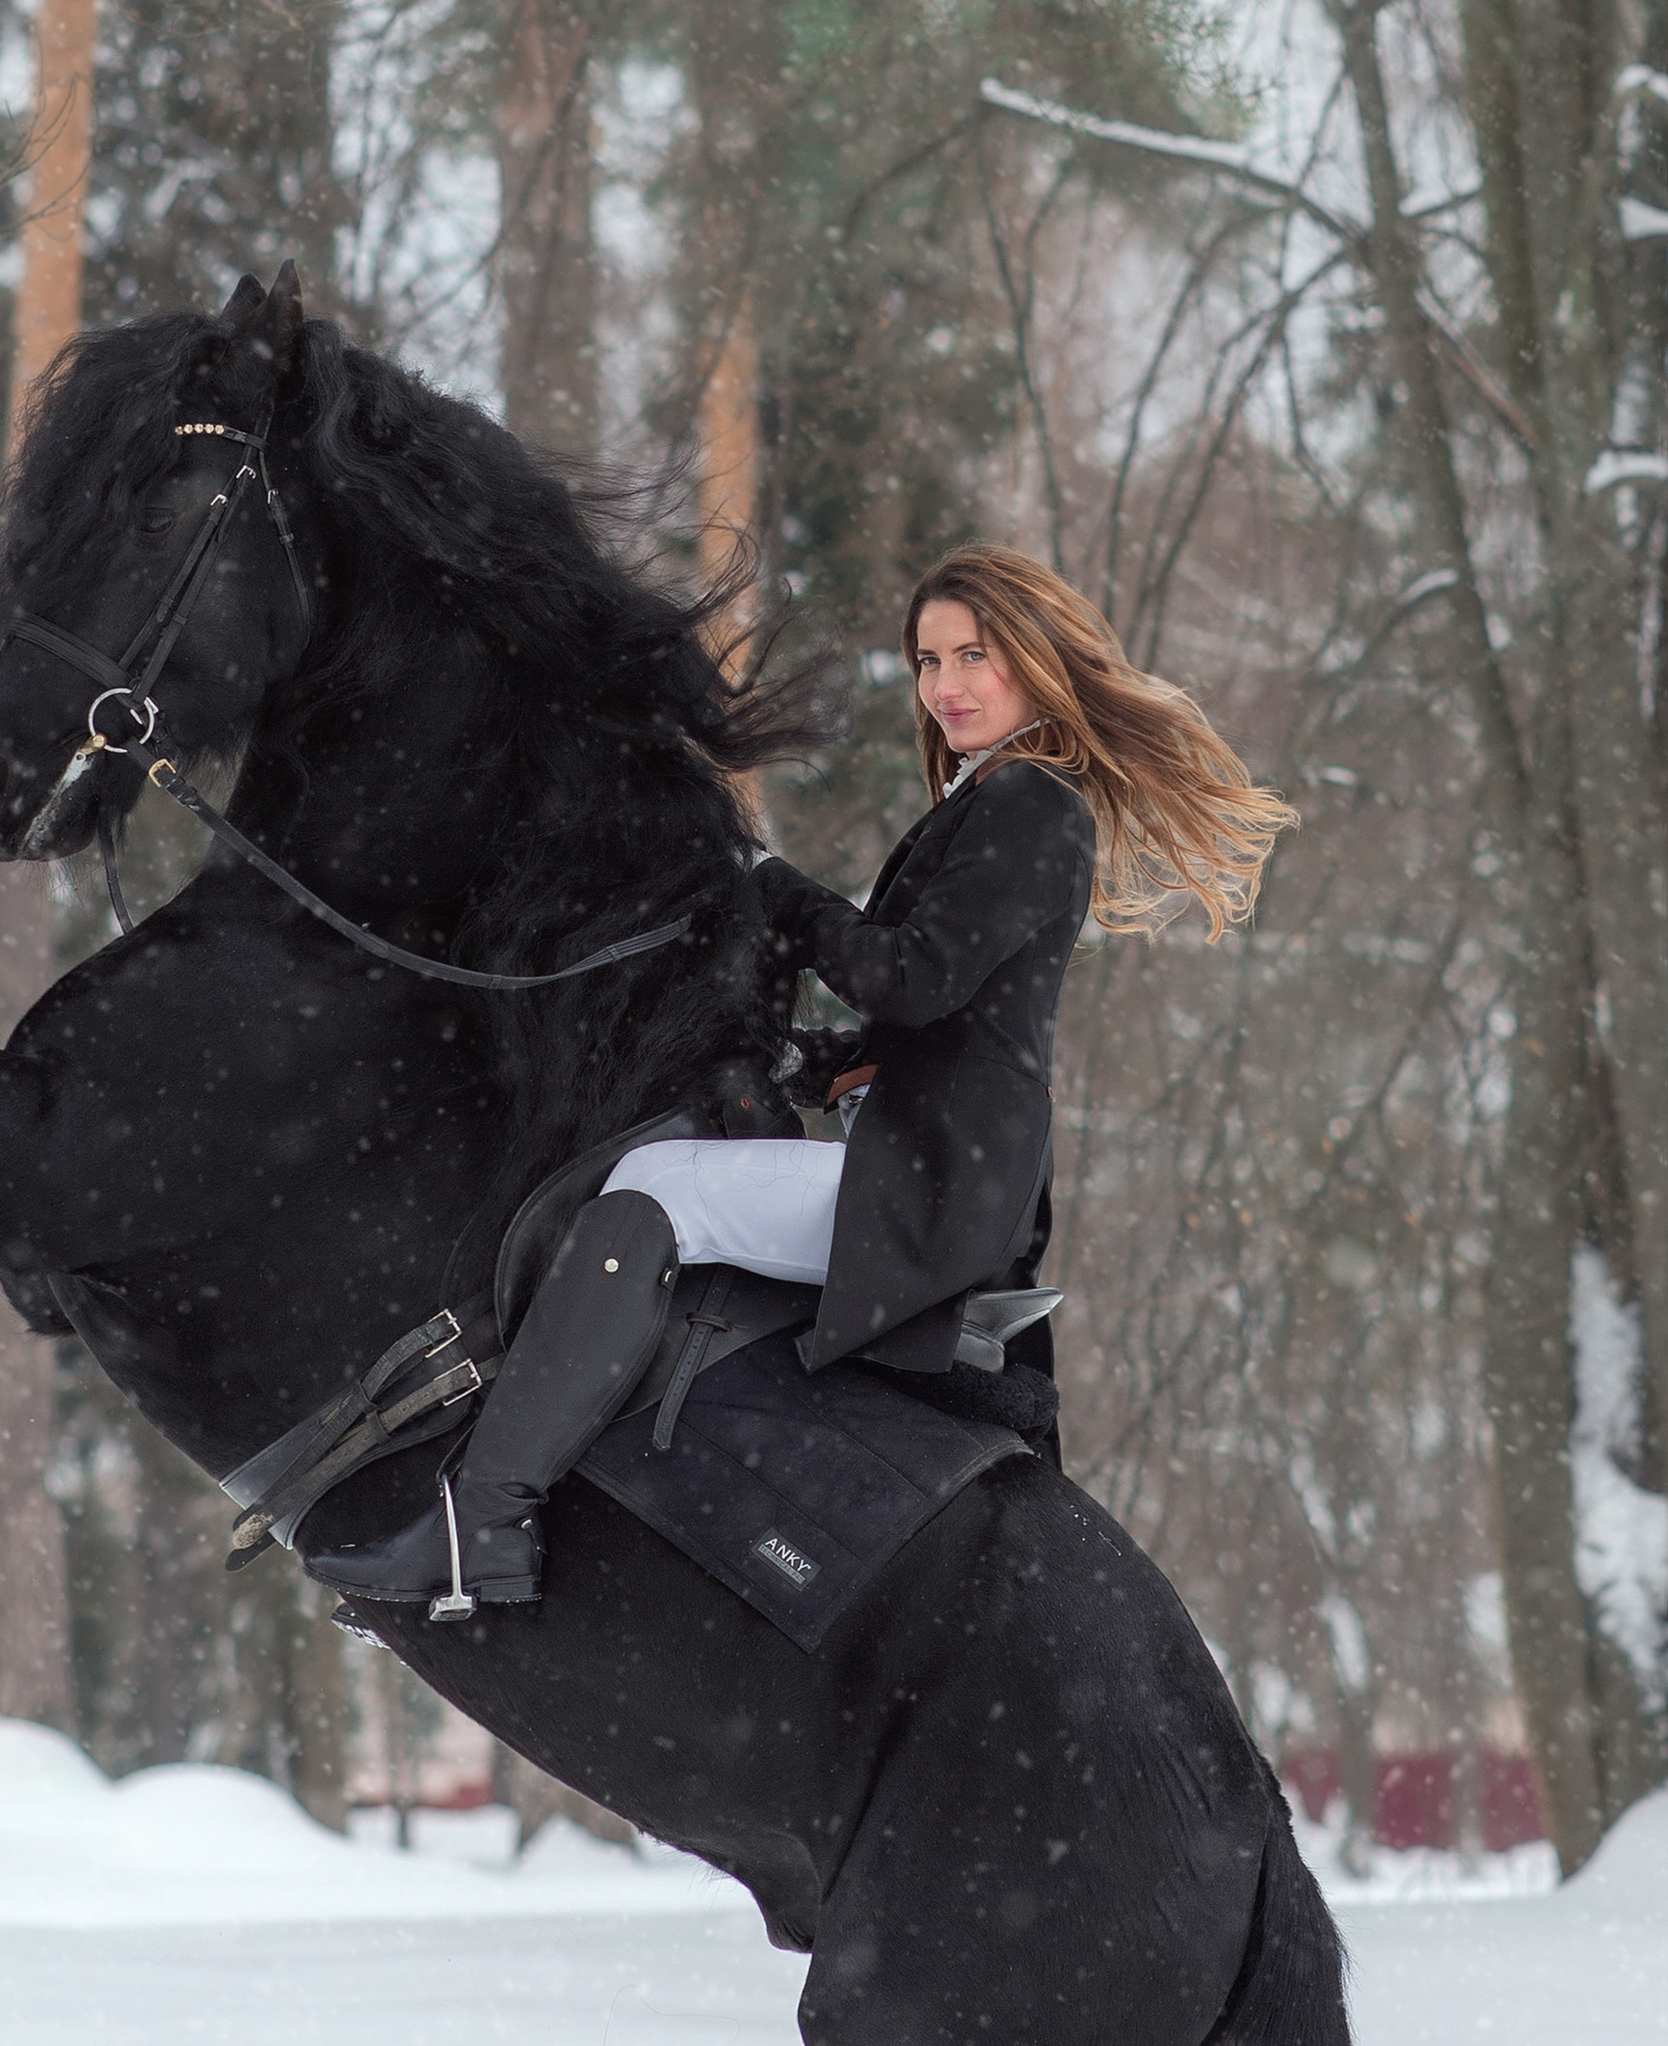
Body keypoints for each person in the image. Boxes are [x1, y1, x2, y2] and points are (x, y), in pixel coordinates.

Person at [309, 546, 1294, 1619]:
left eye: (975, 654)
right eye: (926, 659)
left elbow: (908, 981)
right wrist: (804, 1060)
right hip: (931, 1163)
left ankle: (485, 1514)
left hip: (932, 1192)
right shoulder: (999, 800)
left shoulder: (1030, 806)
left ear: (1037, 657)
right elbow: (936, 1022)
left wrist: (775, 885)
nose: (946, 684)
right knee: (665, 1166)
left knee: (652, 1190)